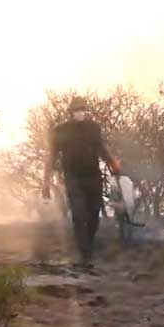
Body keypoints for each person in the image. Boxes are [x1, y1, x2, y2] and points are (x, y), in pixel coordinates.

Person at [42, 97, 122, 269]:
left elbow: (101, 148)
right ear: (71, 112)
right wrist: (45, 182)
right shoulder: (61, 131)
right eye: (77, 109)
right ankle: (85, 255)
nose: (80, 112)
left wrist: (113, 164)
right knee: (78, 214)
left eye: (83, 109)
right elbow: (51, 157)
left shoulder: (93, 128)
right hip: (73, 176)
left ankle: (88, 248)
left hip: (93, 175)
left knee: (94, 214)